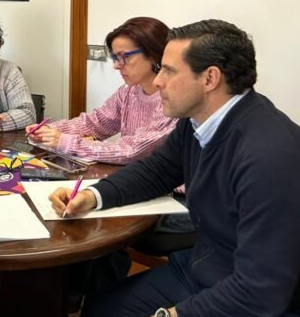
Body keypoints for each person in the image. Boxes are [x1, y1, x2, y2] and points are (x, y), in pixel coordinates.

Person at [50, 20, 300, 316]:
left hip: (249, 296)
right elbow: (156, 171)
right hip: (202, 268)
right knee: (102, 307)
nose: (158, 81)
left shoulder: (268, 155)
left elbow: (261, 290)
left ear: (209, 79)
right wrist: (93, 196)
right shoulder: (196, 122)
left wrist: (172, 314)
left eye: (168, 70)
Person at [28, 17, 177, 165]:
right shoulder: (128, 92)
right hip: (134, 177)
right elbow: (96, 123)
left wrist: (66, 142)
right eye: (114, 58)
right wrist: (50, 130)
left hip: (169, 187)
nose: (117, 66)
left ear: (153, 53)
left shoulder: (173, 100)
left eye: (124, 57)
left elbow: (131, 150)